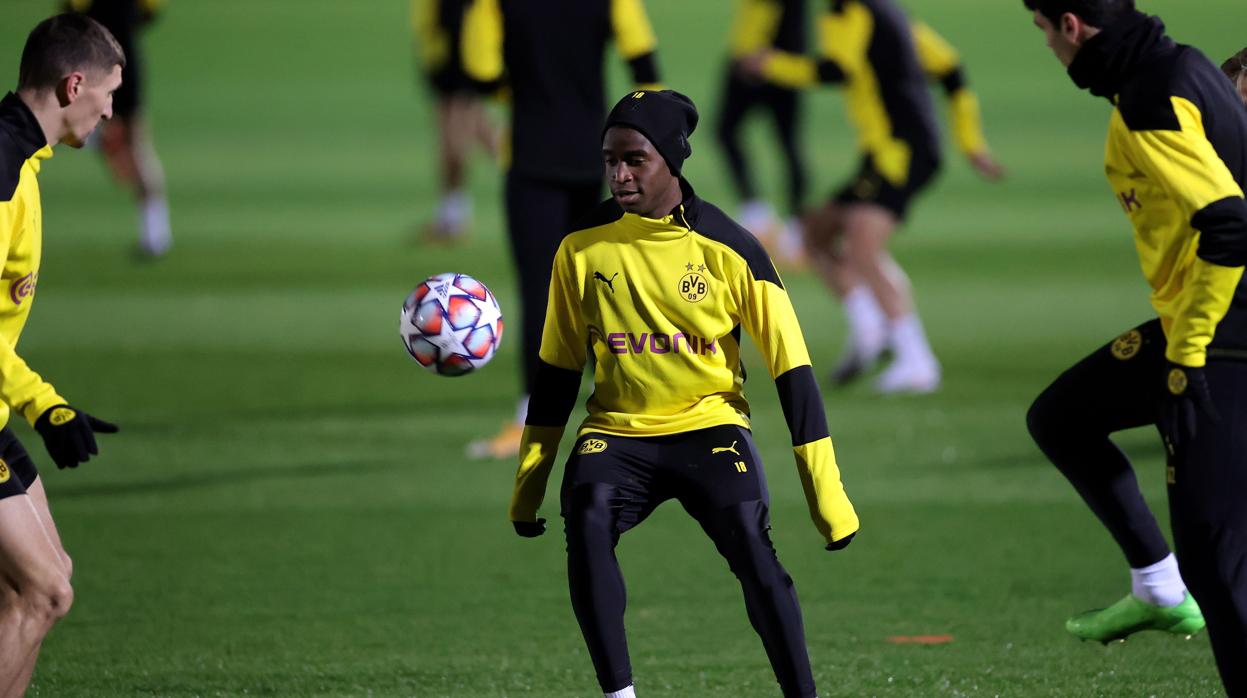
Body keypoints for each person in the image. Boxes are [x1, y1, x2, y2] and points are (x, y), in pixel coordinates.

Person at [508, 90, 859, 698]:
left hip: (711, 429)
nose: (618, 173)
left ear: (672, 158)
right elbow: (558, 371)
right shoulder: (580, 245)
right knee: (587, 518)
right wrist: (528, 487)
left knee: (752, 544)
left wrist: (827, 497)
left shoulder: (733, 249)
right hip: (616, 432)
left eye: (634, 159)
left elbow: (793, 372)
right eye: (610, 159)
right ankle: (620, 694)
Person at [1022, 1, 1247, 692]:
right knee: (1061, 416)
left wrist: (1188, 353)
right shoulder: (1182, 68)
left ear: (1069, 24)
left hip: (1220, 338)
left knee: (1219, 562)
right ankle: (1155, 584)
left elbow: (1229, 224)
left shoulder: (1152, 96)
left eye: (1040, 30)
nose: (1046, 48)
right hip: (1203, 325)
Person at [741, 0, 1005, 393]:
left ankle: (916, 360)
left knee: (863, 244)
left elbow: (836, 69)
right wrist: (970, 143)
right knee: (816, 232)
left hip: (898, 152)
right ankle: (871, 329)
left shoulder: (848, 13)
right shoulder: (890, 14)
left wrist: (771, 64)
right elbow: (951, 68)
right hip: (894, 151)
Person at [460, 0, 662, 460]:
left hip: (531, 153)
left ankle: (532, 420)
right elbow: (644, 60)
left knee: (541, 289)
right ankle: (625, 407)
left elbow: (480, 70)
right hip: (596, 157)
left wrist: (522, 90)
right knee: (599, 284)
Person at [0, 14, 123, 695]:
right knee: (42, 592)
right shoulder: (1, 173)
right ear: (74, 85)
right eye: (107, 96)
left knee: (46, 585)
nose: (109, 112)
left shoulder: (19, 157)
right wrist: (44, 405)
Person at [68, 0, 173, 258]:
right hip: (112, 64)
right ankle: (156, 231)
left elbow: (72, 15)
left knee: (135, 145)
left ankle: (155, 232)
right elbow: (150, 13)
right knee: (131, 145)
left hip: (106, 65)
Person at [716, 0, 809, 268]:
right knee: (784, 140)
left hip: (768, 57)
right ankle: (769, 220)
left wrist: (751, 50)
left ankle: (786, 228)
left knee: (785, 141)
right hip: (769, 53)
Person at [411, 0, 498, 243]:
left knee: (456, 133)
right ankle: (451, 215)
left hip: (461, 41)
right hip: (443, 45)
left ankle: (453, 217)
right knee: (464, 126)